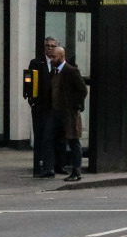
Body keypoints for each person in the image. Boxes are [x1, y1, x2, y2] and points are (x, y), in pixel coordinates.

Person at [50, 47, 88, 182]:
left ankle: (77, 170)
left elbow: (83, 90)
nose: (51, 59)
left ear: (61, 57)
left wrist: (75, 105)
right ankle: (55, 166)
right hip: (56, 112)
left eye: (54, 57)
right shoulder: (54, 72)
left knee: (73, 141)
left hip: (69, 113)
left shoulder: (71, 71)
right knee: (55, 139)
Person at [27, 37, 57, 177]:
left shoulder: (59, 63)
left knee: (49, 137)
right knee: (39, 136)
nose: (50, 48)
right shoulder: (36, 62)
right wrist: (32, 101)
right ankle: (38, 166)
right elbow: (29, 81)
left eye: (53, 46)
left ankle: (49, 167)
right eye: (48, 45)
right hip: (39, 107)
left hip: (53, 108)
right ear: (44, 47)